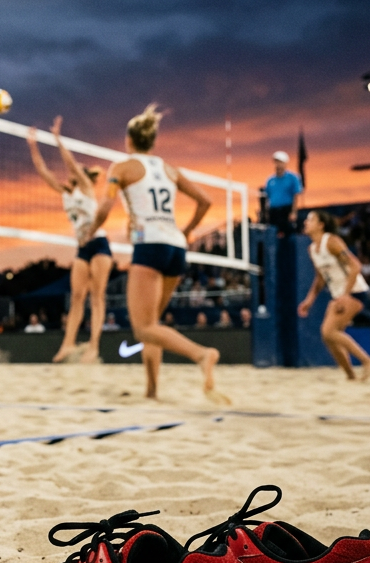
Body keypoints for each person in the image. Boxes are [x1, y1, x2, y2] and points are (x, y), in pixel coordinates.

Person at [82, 103, 227, 403]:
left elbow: (106, 206)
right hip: (175, 246)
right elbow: (205, 200)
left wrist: (89, 231)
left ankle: (202, 355)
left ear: (129, 140)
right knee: (153, 326)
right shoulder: (168, 168)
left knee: (144, 328)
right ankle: (152, 392)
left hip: (150, 245)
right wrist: (187, 232)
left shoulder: (121, 168)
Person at [26, 117, 113, 362]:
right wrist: (33, 145)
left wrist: (56, 138)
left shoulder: (85, 186)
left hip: (99, 244)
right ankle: (68, 344)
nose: (71, 173)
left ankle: (94, 346)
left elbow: (72, 164)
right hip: (82, 247)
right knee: (76, 297)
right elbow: (43, 172)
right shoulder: (65, 192)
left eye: (75, 171)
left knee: (97, 296)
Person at [298, 210, 370, 380]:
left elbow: (355, 266)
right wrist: (309, 301)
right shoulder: (312, 249)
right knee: (329, 337)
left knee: (329, 331)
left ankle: (367, 361)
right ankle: (350, 376)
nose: (305, 222)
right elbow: (320, 279)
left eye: (310, 220)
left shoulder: (331, 241)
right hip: (339, 294)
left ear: (321, 225)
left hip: (354, 291)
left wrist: (345, 295)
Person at [265, 151, 303, 236]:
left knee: (288, 235)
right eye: (276, 162)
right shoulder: (270, 180)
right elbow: (268, 197)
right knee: (273, 234)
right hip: (274, 212)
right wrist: (267, 213)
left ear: (285, 163)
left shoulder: (293, 178)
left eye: (280, 162)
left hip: (286, 211)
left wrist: (293, 212)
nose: (278, 164)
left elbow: (296, 195)